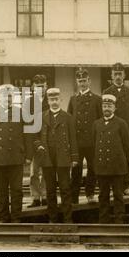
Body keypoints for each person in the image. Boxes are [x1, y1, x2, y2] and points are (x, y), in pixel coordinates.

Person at [0, 84, 34, 223]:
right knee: (1, 189)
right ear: (0, 97)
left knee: (17, 189)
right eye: (5, 96)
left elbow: (28, 136)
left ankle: (16, 216)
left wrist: (29, 156)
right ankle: (3, 216)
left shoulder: (21, 112)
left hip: (16, 157)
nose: (8, 98)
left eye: (10, 96)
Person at [35, 88, 78, 223]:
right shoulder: (41, 117)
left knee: (65, 188)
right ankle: (52, 218)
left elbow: (73, 139)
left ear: (61, 100)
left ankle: (68, 218)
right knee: (50, 189)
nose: (54, 102)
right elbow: (34, 137)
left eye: (56, 99)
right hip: (47, 157)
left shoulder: (68, 117)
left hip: (63, 157)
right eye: (51, 100)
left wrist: (74, 157)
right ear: (48, 101)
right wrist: (38, 145)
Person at [93, 94, 129, 224]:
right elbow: (93, 144)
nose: (107, 108)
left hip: (117, 166)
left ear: (115, 108)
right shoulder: (96, 124)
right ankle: (103, 219)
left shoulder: (121, 124)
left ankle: (119, 219)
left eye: (109, 106)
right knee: (103, 195)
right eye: (104, 106)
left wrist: (122, 161)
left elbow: (127, 146)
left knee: (118, 195)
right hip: (102, 166)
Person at [67, 68, 102, 204]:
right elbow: (69, 120)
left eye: (84, 81)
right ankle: (74, 197)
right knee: (76, 170)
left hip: (92, 141)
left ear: (89, 81)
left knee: (93, 169)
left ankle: (90, 193)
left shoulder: (96, 99)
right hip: (77, 142)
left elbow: (99, 121)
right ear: (77, 82)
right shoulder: (73, 99)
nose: (82, 83)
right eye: (80, 81)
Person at [103, 62, 129, 196]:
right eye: (115, 74)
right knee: (111, 158)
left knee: (125, 158)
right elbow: (104, 113)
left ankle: (125, 186)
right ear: (111, 75)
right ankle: (112, 187)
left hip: (126, 132)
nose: (117, 77)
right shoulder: (107, 92)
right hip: (111, 131)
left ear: (124, 75)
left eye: (120, 74)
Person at [24, 75, 48, 208]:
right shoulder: (29, 103)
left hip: (47, 142)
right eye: (37, 86)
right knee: (34, 172)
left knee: (46, 171)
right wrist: (30, 147)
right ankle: (35, 197)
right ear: (33, 87)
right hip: (33, 142)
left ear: (46, 86)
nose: (40, 88)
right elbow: (27, 125)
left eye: (42, 86)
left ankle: (45, 196)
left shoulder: (50, 100)